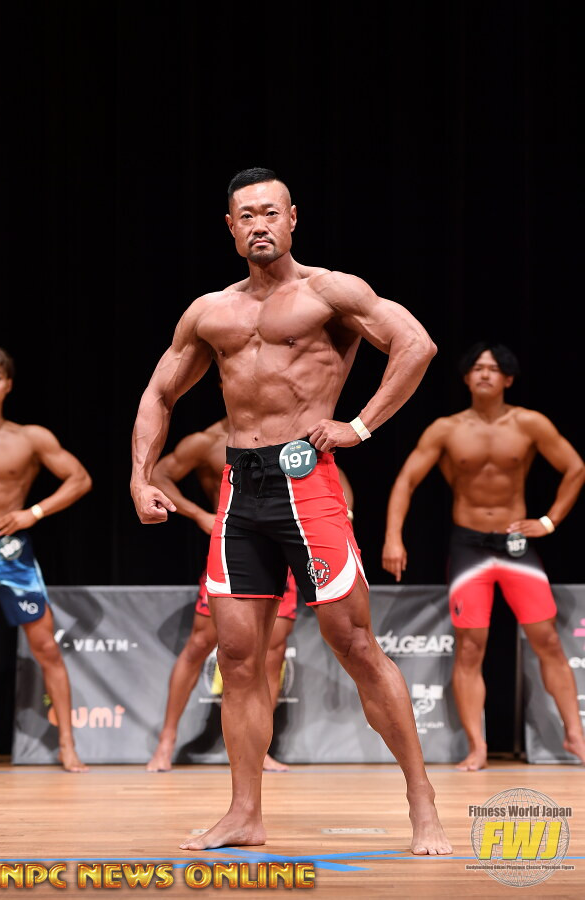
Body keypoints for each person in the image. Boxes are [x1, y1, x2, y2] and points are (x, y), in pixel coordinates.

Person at [131, 167, 451, 855]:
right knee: (238, 656)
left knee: (354, 644)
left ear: (293, 217)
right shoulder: (209, 311)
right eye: (246, 215)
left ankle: (421, 798)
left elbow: (416, 344)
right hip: (238, 491)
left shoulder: (330, 292)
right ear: (230, 227)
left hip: (308, 485)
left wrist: (358, 427)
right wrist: (139, 476)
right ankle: (244, 813)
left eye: (270, 212)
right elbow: (159, 392)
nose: (259, 225)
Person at [382, 342, 585, 771]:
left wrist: (548, 522)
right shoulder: (446, 429)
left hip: (515, 544)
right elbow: (406, 480)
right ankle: (477, 746)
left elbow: (575, 468)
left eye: (493, 368)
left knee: (547, 640)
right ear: (466, 378)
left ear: (508, 378)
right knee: (471, 647)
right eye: (477, 368)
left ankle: (575, 735)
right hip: (469, 546)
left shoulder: (530, 423)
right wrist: (393, 538)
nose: (485, 374)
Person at [146, 416, 354, 773]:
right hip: (239, 549)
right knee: (200, 643)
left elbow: (335, 475)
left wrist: (341, 515)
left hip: (289, 545)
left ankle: (260, 748)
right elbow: (160, 474)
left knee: (273, 652)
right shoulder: (207, 441)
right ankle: (166, 741)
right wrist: (198, 515)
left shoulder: (295, 434)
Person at [0, 345, 92, 772]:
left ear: (8, 385)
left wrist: (33, 513)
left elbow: (79, 478)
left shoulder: (29, 437)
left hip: (8, 549)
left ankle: (67, 744)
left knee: (45, 646)